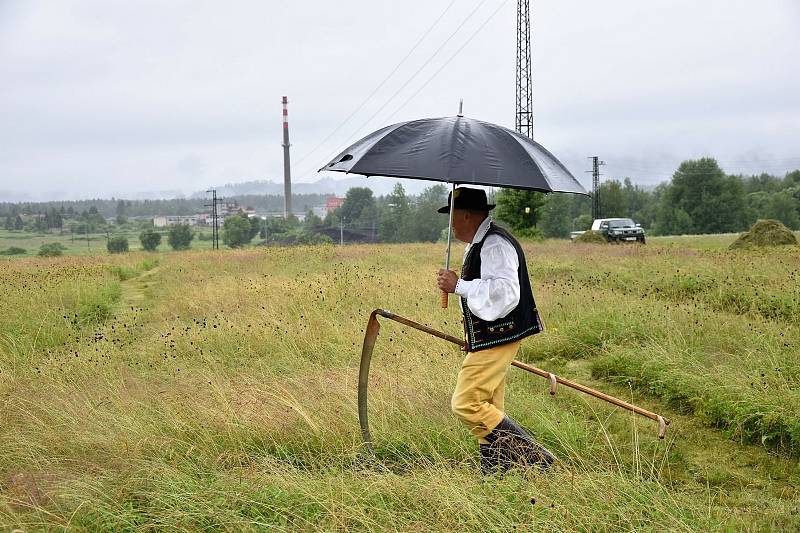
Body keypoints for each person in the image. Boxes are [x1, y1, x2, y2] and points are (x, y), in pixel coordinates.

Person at [436, 187, 555, 474]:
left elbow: (505, 292)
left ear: (465, 215)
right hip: (493, 334)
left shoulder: (494, 245)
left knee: (467, 403)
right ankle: (498, 473)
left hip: (499, 334)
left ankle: (536, 458)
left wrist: (459, 286)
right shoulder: (480, 243)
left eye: (452, 217)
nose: (450, 226)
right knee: (489, 405)